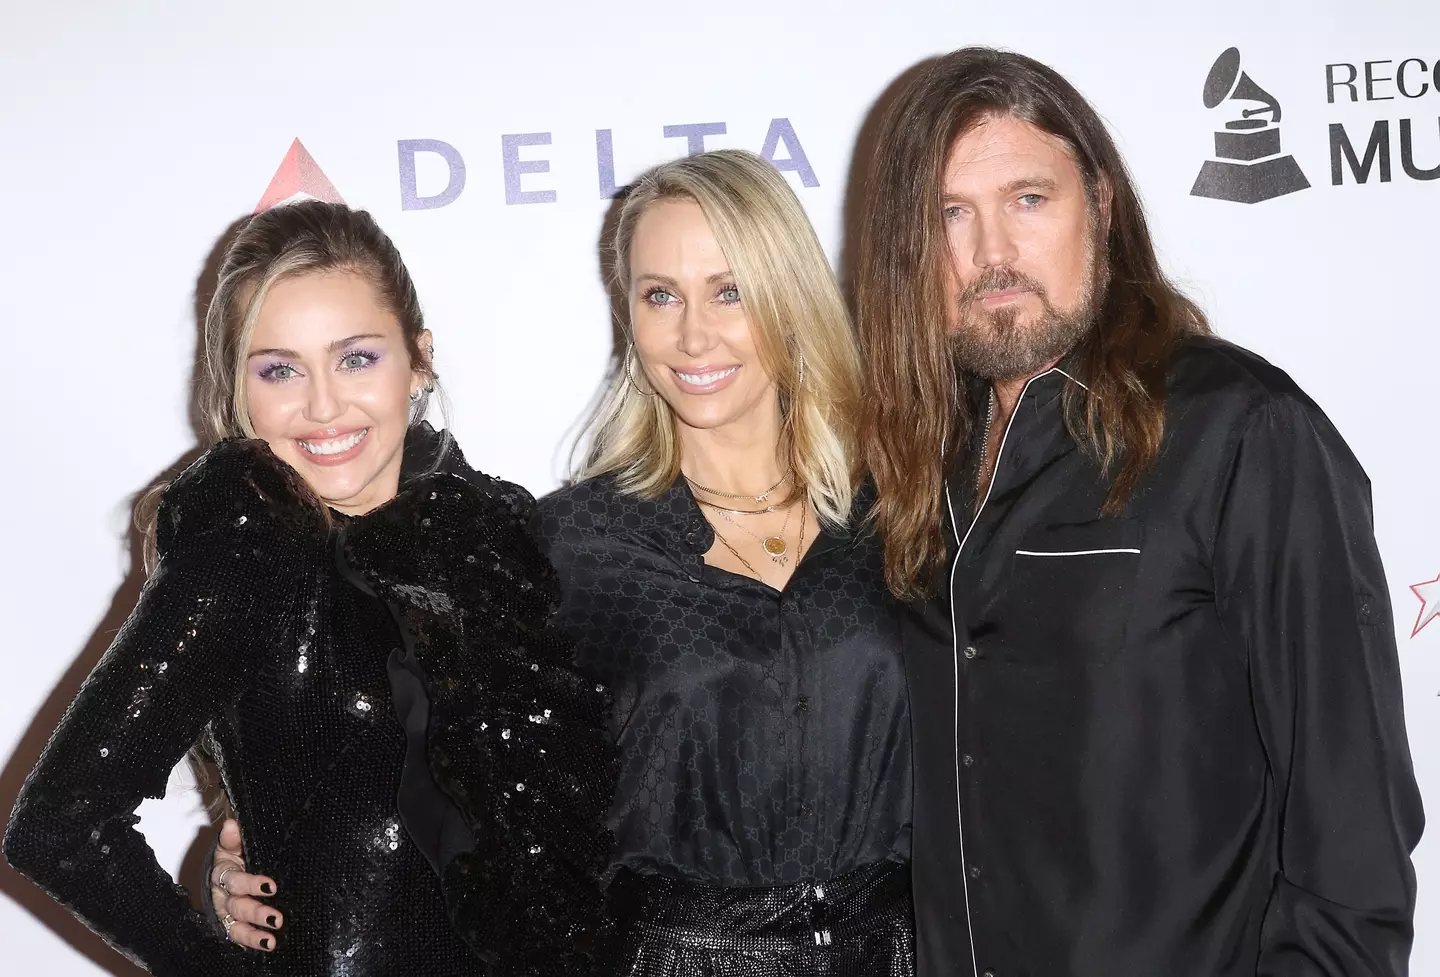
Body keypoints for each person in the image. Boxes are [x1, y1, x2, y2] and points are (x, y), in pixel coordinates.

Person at [203, 149, 917, 976]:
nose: (693, 332)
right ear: (629, 313)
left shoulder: (901, 513)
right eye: (660, 295)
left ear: (789, 295)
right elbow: (433, 769)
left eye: (730, 290)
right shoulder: (569, 545)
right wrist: (263, 862)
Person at [854, 47, 1424, 977]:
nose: (991, 253)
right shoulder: (914, 469)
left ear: (1103, 208)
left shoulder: (1241, 432)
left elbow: (1354, 839)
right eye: (949, 215)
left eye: (1028, 201)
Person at [3, 201, 614, 976]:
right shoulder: (250, 542)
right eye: (280, 369)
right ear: (239, 385)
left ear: (419, 358)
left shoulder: (498, 534)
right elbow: (60, 824)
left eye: (357, 358)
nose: (323, 406)